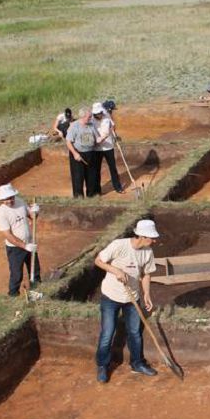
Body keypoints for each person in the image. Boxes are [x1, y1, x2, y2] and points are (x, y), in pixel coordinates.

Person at [93, 220, 161, 383]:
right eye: (152, 238)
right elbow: (98, 260)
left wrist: (146, 294)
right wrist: (115, 270)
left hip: (132, 298)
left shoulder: (148, 252)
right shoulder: (119, 245)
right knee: (107, 333)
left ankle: (137, 363)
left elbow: (146, 274)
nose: (154, 241)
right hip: (111, 296)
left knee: (135, 333)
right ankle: (102, 366)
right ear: (142, 236)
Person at [0, 184, 40, 297]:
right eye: (6, 199)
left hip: (30, 242)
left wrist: (35, 211)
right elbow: (8, 235)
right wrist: (25, 246)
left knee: (35, 270)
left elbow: (32, 217)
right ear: (1, 200)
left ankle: (37, 291)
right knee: (16, 274)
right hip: (15, 249)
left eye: (11, 197)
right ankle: (13, 295)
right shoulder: (1, 214)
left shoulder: (20, 201)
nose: (9, 201)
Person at [91, 102, 124, 195]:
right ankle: (97, 190)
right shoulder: (91, 120)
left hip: (108, 147)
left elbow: (111, 127)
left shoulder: (107, 117)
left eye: (100, 113)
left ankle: (117, 187)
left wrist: (114, 135)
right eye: (96, 114)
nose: (99, 115)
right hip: (96, 149)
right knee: (96, 169)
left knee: (113, 167)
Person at [65, 107, 98, 197]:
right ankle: (78, 196)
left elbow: (96, 138)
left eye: (91, 117)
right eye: (89, 117)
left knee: (91, 176)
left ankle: (91, 195)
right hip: (78, 154)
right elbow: (68, 142)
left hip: (90, 153)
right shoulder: (74, 126)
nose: (91, 118)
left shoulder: (91, 125)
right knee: (78, 176)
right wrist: (75, 154)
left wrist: (103, 138)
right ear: (82, 117)